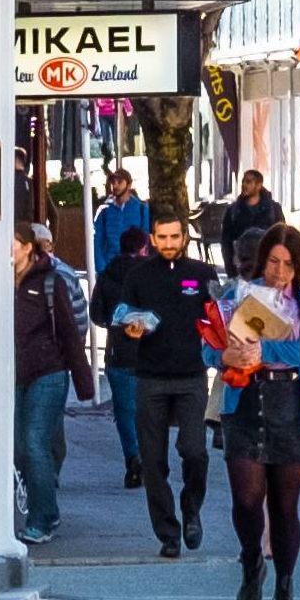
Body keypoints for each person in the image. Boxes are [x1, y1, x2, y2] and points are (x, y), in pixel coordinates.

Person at [96, 205, 218, 554]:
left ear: (184, 238)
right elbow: (122, 316)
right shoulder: (138, 275)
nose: (168, 243)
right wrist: (131, 328)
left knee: (195, 451)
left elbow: (221, 317)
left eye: (174, 237)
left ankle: (192, 508)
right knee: (152, 461)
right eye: (162, 237)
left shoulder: (201, 272)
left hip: (192, 377)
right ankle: (168, 533)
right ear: (152, 239)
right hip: (148, 378)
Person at [212, 226, 300, 600]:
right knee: (246, 499)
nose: (280, 272)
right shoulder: (238, 295)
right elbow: (208, 343)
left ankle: (285, 586)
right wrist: (225, 356)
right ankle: (251, 559)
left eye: (289, 264)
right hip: (246, 401)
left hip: (291, 401)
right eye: (274, 261)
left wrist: (267, 348)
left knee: (285, 504)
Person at [11, 225, 91, 549]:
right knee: (17, 447)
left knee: (33, 442)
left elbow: (71, 330)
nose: (7, 250)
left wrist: (84, 381)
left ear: (28, 247)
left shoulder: (51, 280)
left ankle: (41, 518)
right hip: (12, 373)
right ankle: (45, 503)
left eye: (12, 244)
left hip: (49, 372)